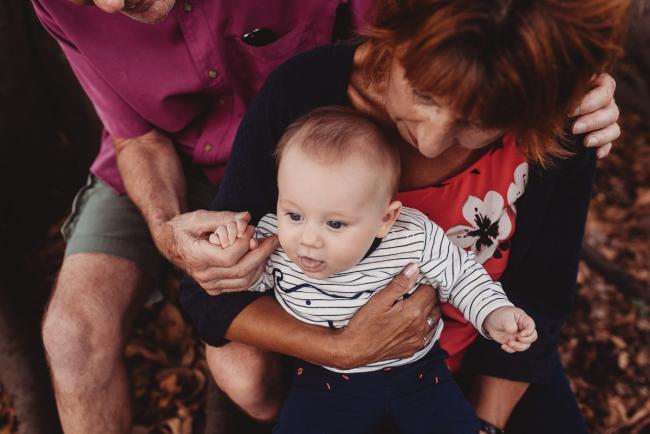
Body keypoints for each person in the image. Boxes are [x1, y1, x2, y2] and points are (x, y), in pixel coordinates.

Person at [179, 1, 630, 433]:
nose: (432, 141)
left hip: (485, 360)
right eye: (422, 92)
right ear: (393, 34)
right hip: (323, 375)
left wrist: (484, 424)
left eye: (478, 121)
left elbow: (540, 295)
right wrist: (343, 349)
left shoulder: (555, 124)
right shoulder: (304, 95)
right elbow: (213, 293)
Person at [31, 0, 377, 432]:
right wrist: (166, 230)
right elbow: (137, 140)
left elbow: (384, 71)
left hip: (302, 156)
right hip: (160, 156)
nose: (114, 5)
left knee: (248, 374)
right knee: (70, 336)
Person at [209, 106, 538, 433]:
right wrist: (230, 247)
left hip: (420, 376)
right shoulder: (274, 243)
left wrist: (494, 313)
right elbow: (241, 282)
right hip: (325, 382)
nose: (308, 239)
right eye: (294, 215)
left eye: (335, 223)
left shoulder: (413, 237)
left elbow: (462, 276)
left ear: (385, 219)